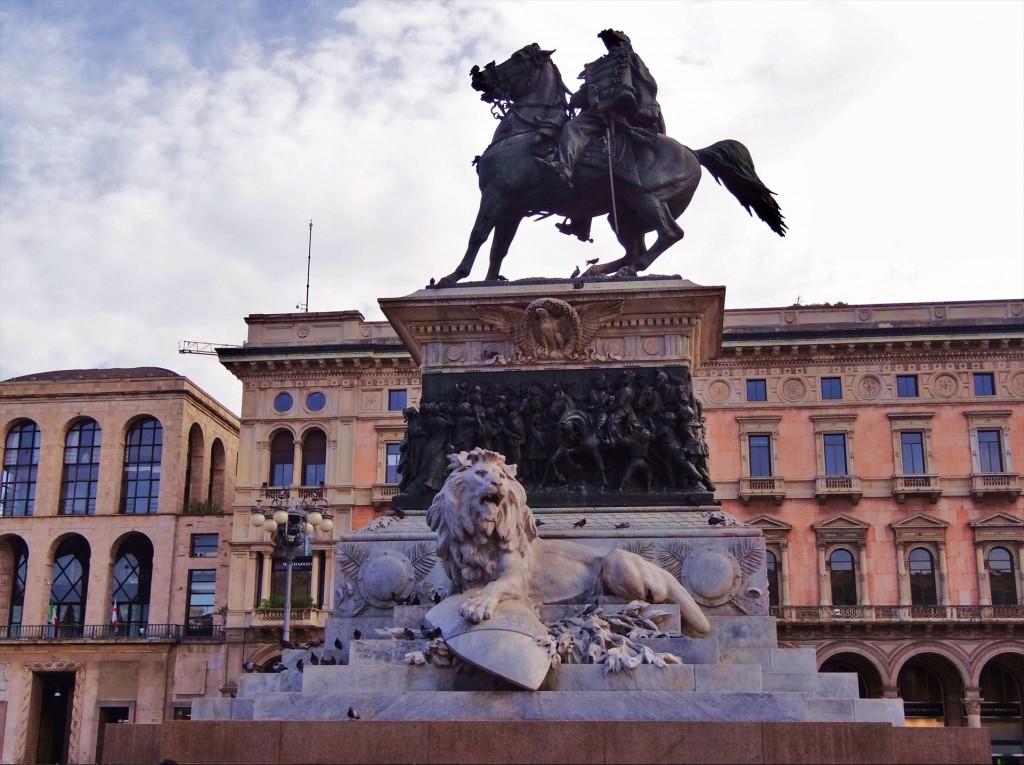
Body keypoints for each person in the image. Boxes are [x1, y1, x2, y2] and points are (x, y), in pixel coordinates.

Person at [537, 29, 666, 189]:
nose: (613, 47)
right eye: (611, 44)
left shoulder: (629, 61)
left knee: (573, 127)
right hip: (599, 110)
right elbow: (590, 91)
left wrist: (626, 104)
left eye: (616, 43)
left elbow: (646, 87)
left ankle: (564, 167)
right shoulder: (600, 66)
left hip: (614, 115)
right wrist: (576, 99)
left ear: (625, 45)